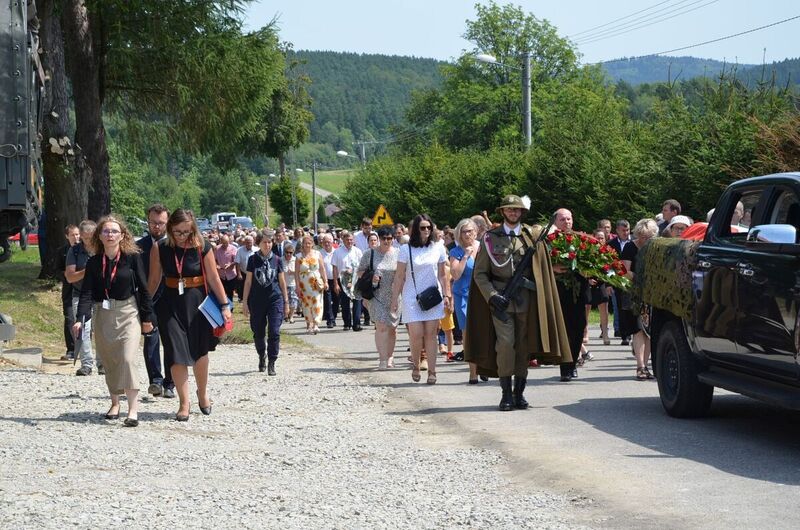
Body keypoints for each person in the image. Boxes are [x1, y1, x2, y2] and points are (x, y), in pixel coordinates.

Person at [465, 196, 571, 410]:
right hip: (500, 300)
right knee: (505, 344)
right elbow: (480, 273)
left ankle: (519, 393)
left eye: (517, 210)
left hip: (526, 298)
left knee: (523, 346)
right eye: (509, 209)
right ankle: (505, 393)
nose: (513, 213)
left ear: (522, 212)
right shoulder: (490, 238)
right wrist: (492, 295)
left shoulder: (531, 236)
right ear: (503, 212)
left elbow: (541, 264)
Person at [147, 209, 232, 421]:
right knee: (175, 353)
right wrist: (145, 307)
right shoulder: (160, 247)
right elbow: (154, 280)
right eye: (178, 231)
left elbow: (213, 277)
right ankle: (184, 402)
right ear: (170, 228)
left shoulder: (202, 246)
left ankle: (202, 393)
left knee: (200, 352)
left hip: (198, 304)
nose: (182, 235)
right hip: (170, 304)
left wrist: (224, 305)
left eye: (186, 231)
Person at [74, 216, 155, 427]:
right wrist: (80, 319)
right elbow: (86, 293)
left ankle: (133, 410)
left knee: (127, 359)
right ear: (99, 236)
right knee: (110, 360)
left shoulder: (132, 258)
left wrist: (147, 318)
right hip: (103, 313)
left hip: (128, 312)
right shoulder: (94, 262)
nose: (110, 235)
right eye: (106, 231)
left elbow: (144, 289)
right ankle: (115, 403)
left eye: (114, 231)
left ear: (122, 235)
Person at [390, 214, 451, 384]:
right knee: (416, 335)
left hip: (432, 296)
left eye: (429, 227)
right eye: (423, 227)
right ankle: (416, 365)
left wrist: (447, 295)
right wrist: (394, 300)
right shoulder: (406, 249)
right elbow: (399, 276)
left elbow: (442, 275)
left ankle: (432, 371)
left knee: (431, 335)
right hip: (412, 296)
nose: (426, 230)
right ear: (416, 229)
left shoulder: (438, 247)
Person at [136, 204, 175, 399]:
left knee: (171, 341)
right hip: (147, 299)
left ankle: (170, 383)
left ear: (168, 223)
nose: (156, 226)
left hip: (170, 298)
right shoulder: (138, 247)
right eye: (153, 222)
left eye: (161, 223)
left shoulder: (174, 246)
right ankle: (156, 381)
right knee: (150, 338)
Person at [242, 230, 289, 375]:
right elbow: (248, 282)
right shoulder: (252, 260)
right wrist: (245, 302)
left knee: (274, 331)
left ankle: (272, 361)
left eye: (269, 242)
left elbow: (282, 281)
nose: (267, 245)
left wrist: (286, 302)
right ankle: (262, 355)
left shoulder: (277, 260)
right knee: (258, 331)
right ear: (259, 243)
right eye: (264, 242)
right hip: (257, 300)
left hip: (275, 299)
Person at [552, 208, 590, 382]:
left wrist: (589, 271)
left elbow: (592, 261)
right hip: (558, 290)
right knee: (563, 330)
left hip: (579, 289)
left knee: (579, 327)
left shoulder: (581, 239)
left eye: (569, 219)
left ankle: (573, 362)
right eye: (562, 219)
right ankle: (565, 367)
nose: (566, 222)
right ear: (555, 222)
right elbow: (539, 262)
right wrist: (553, 268)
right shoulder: (549, 241)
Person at [355, 227, 400, 369]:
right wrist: (372, 276)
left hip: (394, 295)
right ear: (379, 239)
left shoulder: (399, 254)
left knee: (392, 328)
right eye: (383, 238)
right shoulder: (370, 254)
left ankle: (390, 356)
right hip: (376, 296)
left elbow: (403, 274)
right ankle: (382, 358)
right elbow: (360, 272)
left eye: (389, 238)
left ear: (393, 239)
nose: (386, 241)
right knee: (381, 326)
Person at [621, 218, 659, 380]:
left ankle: (645, 365)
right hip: (633, 294)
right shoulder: (630, 247)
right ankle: (640, 366)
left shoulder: (656, 248)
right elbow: (624, 271)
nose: (645, 240)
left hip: (651, 294)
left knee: (648, 331)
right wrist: (642, 279)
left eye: (649, 237)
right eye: (642, 236)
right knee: (637, 329)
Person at [65, 220, 102, 376]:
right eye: (84, 238)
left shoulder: (102, 249)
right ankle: (86, 364)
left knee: (101, 329)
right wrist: (88, 270)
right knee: (82, 329)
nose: (88, 241)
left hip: (100, 296)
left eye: (91, 237)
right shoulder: (74, 251)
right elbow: (70, 277)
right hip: (79, 294)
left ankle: (102, 363)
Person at [449, 218, 482, 382]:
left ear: (476, 232)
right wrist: (466, 256)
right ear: (459, 234)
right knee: (468, 334)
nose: (468, 234)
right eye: (464, 231)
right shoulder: (456, 251)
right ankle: (473, 372)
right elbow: (455, 275)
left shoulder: (483, 248)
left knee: (484, 332)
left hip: (482, 295)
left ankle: (484, 364)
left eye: (471, 231)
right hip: (463, 296)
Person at [583, 228, 611, 355]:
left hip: (602, 282)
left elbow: (612, 269)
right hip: (588, 281)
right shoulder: (587, 250)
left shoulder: (608, 251)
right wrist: (588, 279)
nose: (600, 240)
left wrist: (608, 282)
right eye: (598, 237)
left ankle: (605, 333)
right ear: (593, 237)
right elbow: (582, 266)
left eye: (602, 238)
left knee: (604, 307)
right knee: (586, 307)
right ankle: (585, 332)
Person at [332, 230, 364, 331]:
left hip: (355, 280)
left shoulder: (357, 251)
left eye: (351, 240)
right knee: (345, 303)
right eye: (347, 240)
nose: (349, 242)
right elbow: (335, 268)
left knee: (357, 301)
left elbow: (362, 266)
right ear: (343, 240)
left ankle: (356, 324)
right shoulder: (337, 252)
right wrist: (335, 283)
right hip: (343, 280)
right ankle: (347, 323)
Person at [296, 235, 327, 334]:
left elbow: (322, 269)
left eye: (309, 243)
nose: (307, 245)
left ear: (312, 244)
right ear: (302, 244)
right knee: (306, 304)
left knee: (317, 302)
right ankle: (309, 324)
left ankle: (316, 324)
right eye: (305, 243)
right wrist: (297, 286)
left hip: (316, 283)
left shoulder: (317, 254)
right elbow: (296, 273)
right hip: (304, 285)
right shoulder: (298, 256)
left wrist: (325, 281)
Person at [58, 225, 80, 361]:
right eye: (73, 235)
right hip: (69, 291)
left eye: (77, 234)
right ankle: (71, 350)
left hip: (82, 291)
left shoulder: (85, 250)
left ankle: (83, 349)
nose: (76, 237)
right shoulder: (62, 251)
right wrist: (67, 276)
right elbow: (57, 270)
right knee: (69, 319)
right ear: (67, 236)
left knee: (84, 320)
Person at [608, 219, 631, 344]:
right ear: (617, 230)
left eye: (627, 230)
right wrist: (608, 283)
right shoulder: (611, 244)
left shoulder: (634, 242)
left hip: (632, 279)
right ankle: (625, 335)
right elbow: (607, 265)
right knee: (621, 308)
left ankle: (634, 332)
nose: (626, 233)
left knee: (632, 308)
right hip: (617, 280)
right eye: (623, 230)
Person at [319, 233, 338, 328]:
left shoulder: (337, 252)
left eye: (329, 242)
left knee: (336, 300)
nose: (327, 244)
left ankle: (333, 317)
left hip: (336, 280)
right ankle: (330, 320)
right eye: (325, 242)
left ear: (332, 242)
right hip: (325, 280)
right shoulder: (320, 253)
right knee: (327, 300)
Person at [214, 233, 238, 302]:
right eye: (223, 243)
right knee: (222, 292)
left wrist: (230, 264)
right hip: (221, 275)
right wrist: (216, 265)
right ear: (221, 242)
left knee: (231, 292)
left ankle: (231, 305)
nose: (225, 245)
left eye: (226, 243)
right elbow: (214, 260)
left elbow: (236, 261)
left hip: (231, 274)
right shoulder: (217, 249)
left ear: (229, 241)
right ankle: (224, 304)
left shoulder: (233, 248)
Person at [234, 235, 256, 302]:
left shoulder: (257, 250)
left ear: (253, 242)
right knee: (244, 287)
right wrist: (239, 274)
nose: (249, 244)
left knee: (253, 288)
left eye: (250, 242)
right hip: (244, 273)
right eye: (247, 242)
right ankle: (244, 300)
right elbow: (237, 262)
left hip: (254, 273)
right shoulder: (240, 250)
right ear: (244, 243)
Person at [281, 242, 299, 323]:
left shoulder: (295, 260)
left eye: (290, 252)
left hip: (293, 284)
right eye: (287, 252)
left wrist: (293, 272)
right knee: (284, 301)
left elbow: (300, 272)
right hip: (283, 284)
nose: (288, 254)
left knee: (293, 301)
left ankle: (291, 316)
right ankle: (285, 316)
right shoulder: (281, 260)